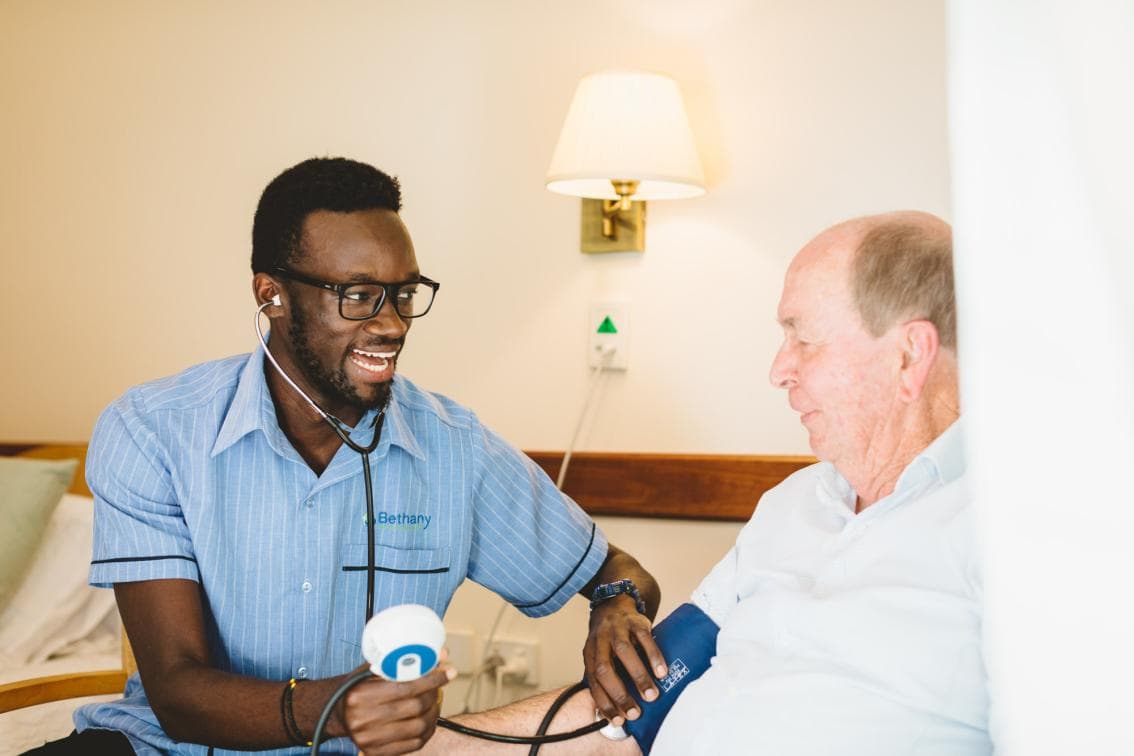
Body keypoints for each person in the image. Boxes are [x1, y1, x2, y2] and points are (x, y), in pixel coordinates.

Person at [30, 157, 663, 756]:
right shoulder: (152, 430)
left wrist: (616, 603)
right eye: (358, 295)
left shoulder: (456, 449)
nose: (392, 325)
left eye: (404, 294)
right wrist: (335, 708)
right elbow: (176, 691)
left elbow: (617, 569)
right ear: (271, 295)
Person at [420, 211, 989, 755]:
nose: (778, 370)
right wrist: (415, 747)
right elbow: (632, 709)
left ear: (908, 355)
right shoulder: (791, 505)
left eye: (804, 339)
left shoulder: (1003, 532)